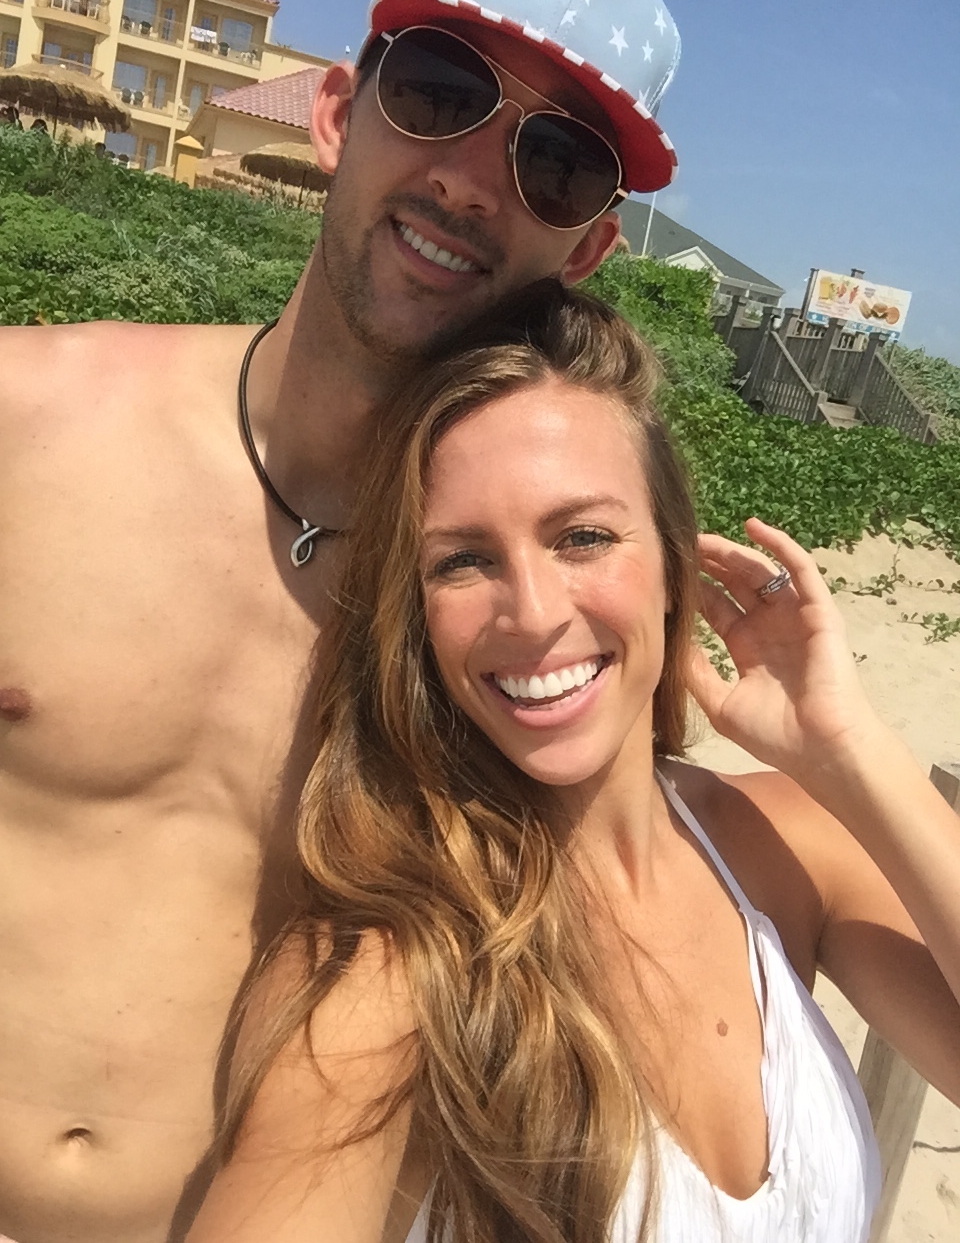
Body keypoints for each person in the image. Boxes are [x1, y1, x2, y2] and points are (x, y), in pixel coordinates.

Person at [0, 0, 683, 1241]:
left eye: (557, 163)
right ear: (333, 115)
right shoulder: (27, 426)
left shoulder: (532, 635)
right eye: (438, 91)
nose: (471, 180)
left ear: (589, 248)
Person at [186, 282, 960, 1243]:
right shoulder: (394, 971)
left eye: (583, 536)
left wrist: (852, 752)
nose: (535, 613)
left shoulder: (782, 846)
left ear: (673, 564)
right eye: (462, 560)